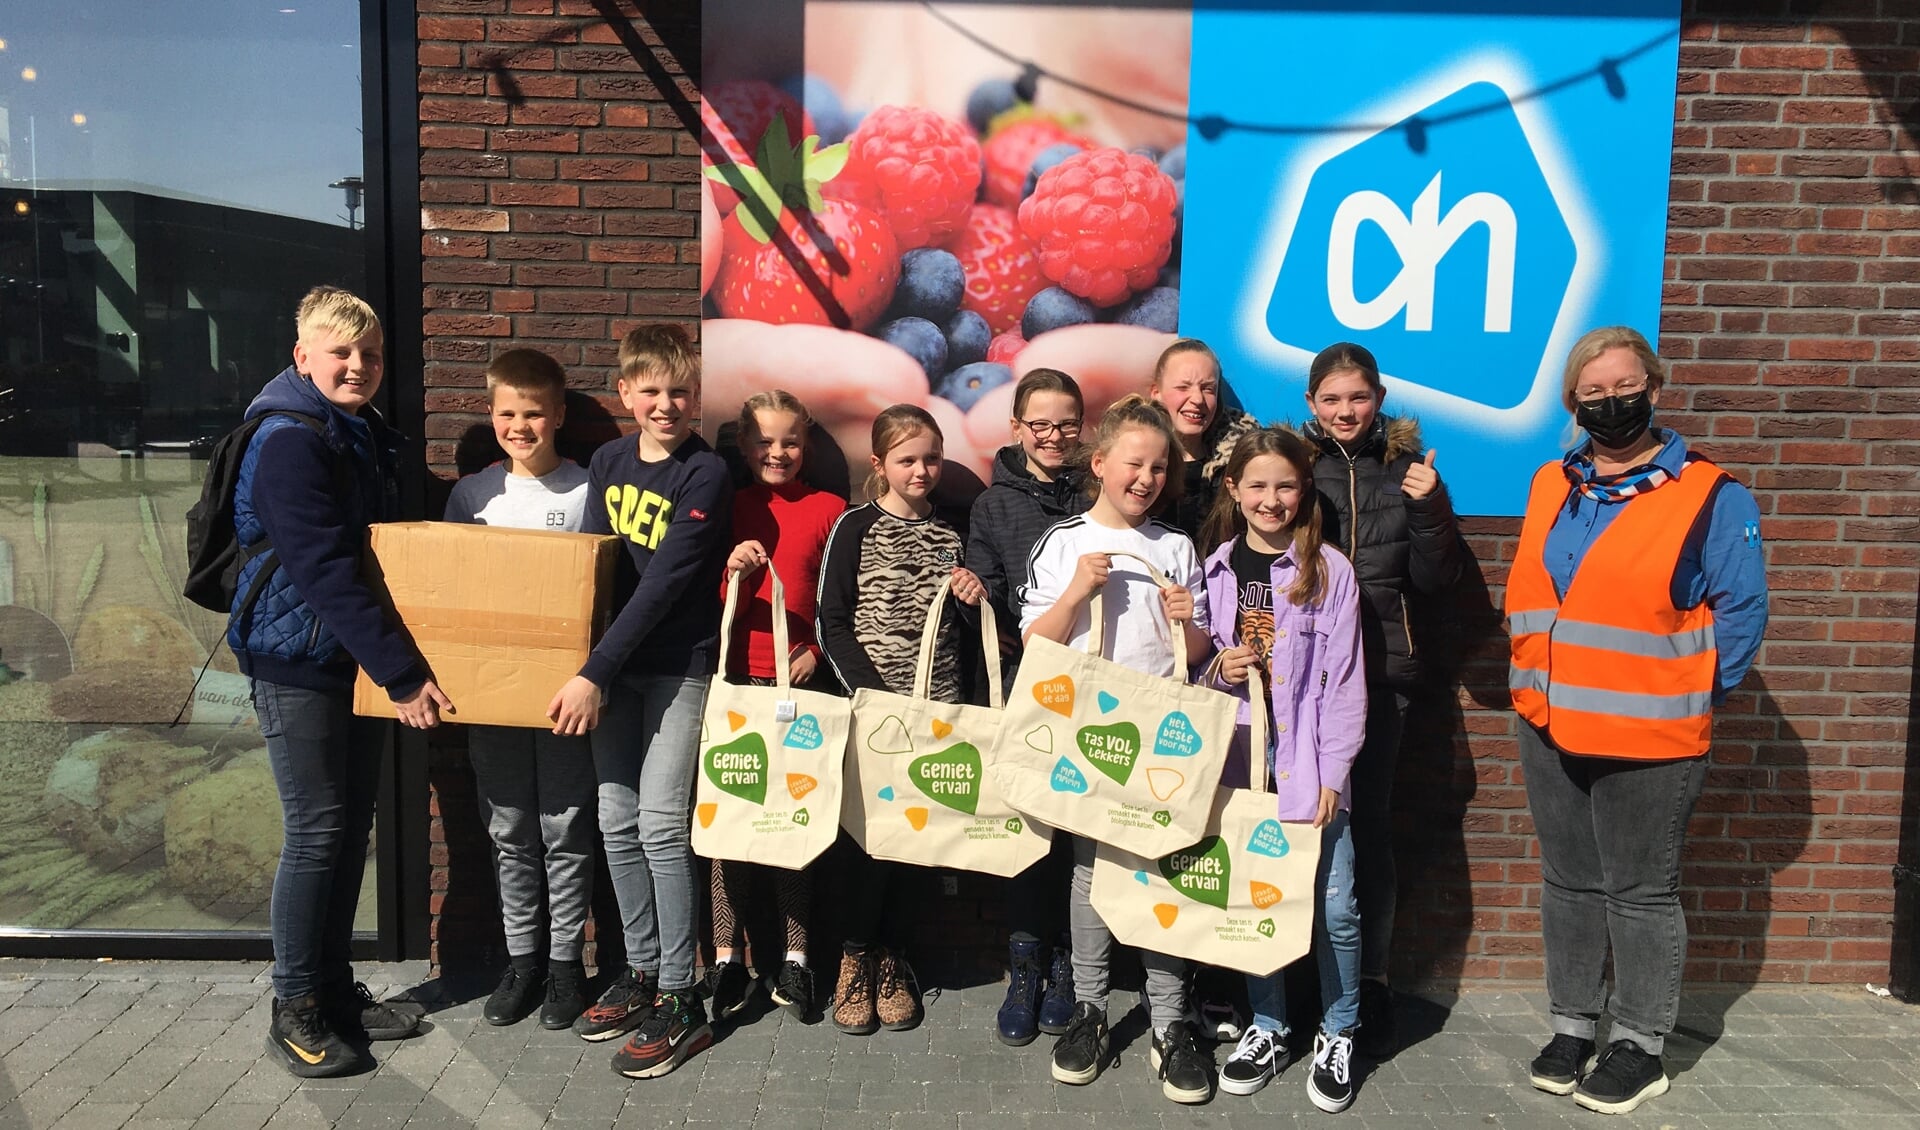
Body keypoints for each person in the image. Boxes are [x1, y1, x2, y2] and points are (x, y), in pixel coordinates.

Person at [1509, 326, 1767, 1116]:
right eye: (1593, 394)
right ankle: (1572, 1026)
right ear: (1574, 405)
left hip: (1649, 733)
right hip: (1548, 720)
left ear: (1653, 388)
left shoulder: (1711, 494)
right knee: (1569, 884)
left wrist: (1680, 693)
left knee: (1641, 893)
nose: (1611, 402)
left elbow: (1742, 614)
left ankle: (1640, 1045)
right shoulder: (1554, 481)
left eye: (1625, 387)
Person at [229, 286, 441, 1077]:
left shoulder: (356, 431)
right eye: (341, 352)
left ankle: (333, 989)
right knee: (317, 830)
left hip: (341, 657)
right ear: (303, 357)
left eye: (370, 354)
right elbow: (322, 569)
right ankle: (294, 1006)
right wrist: (403, 673)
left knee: (348, 829)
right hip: (298, 660)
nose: (358, 365)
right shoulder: (290, 438)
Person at [547, 325, 733, 1080]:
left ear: (696, 397)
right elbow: (591, 569)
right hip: (610, 672)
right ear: (625, 393)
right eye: (650, 390)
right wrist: (587, 666)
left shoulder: (707, 473)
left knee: (660, 824)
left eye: (680, 391)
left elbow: (664, 585)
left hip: (674, 668)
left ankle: (686, 1000)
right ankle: (646, 970)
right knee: (615, 820)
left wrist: (594, 670)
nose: (666, 404)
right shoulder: (607, 461)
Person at [1019, 395, 1216, 1105]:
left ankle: (1171, 1020)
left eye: (1159, 467)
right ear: (1099, 463)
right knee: (1092, 871)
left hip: (1161, 734)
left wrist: (1190, 624)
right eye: (1134, 463)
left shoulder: (1176, 547)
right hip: (1087, 736)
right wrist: (1076, 592)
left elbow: (1196, 657)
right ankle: (1092, 1010)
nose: (1147, 478)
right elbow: (1035, 644)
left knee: (1162, 867)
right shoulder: (1064, 541)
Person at [1198, 427, 1367, 1113]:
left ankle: (1341, 1029)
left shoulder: (1329, 571)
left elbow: (1345, 680)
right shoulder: (1214, 568)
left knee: (1334, 906)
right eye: (1257, 486)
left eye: (1285, 485)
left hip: (1311, 761)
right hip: (1240, 759)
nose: (1271, 499)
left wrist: (1333, 775)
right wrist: (1217, 666)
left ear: (1305, 490)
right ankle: (1268, 1025)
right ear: (1234, 490)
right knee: (1254, 894)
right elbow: (1194, 669)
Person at [1300, 341, 1461, 1056]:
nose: (1344, 410)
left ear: (1379, 399)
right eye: (1331, 399)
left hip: (1382, 680)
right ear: (1312, 405)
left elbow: (1435, 580)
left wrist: (1430, 512)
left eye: (1356, 398)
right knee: (1299, 833)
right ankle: (1298, 979)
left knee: (1370, 840)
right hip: (1301, 684)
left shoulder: (1411, 473)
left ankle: (1369, 983)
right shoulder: (1296, 470)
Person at [817, 404, 987, 1036]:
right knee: (863, 843)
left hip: (936, 715)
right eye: (908, 460)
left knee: (914, 840)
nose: (922, 470)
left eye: (931, 459)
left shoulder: (952, 534)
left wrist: (972, 601)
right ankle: (853, 959)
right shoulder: (854, 526)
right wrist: (870, 693)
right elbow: (830, 620)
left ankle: (894, 959)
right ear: (879, 464)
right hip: (872, 715)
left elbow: (962, 635)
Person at [442, 348, 595, 1031]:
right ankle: (523, 959)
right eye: (508, 413)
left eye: (534, 412)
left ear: (558, 414)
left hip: (565, 695)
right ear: (491, 414)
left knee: (564, 829)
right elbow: (448, 597)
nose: (521, 425)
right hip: (494, 696)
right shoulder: (472, 496)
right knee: (509, 830)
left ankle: (567, 965)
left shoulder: (589, 490)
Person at [707, 390, 846, 1024]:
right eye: (763, 441)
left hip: (797, 689)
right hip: (734, 682)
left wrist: (816, 649)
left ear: (806, 444)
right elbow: (695, 588)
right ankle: (727, 956)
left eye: (789, 440)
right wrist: (730, 570)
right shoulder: (727, 505)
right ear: (743, 445)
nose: (777, 452)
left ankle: (795, 958)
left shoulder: (829, 509)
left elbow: (836, 598)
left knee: (796, 824)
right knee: (725, 829)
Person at [965, 367, 1088, 1047]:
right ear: (1016, 429)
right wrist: (971, 584)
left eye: (1066, 423)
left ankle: (1069, 964)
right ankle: (1025, 966)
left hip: (1097, 687)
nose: (1052, 436)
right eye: (1039, 424)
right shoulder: (994, 505)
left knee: (1079, 834)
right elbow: (988, 578)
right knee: (1029, 835)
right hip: (1026, 685)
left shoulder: (1099, 492)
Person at [1150, 338, 1254, 546]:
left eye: (1208, 388)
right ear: (1156, 393)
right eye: (1183, 387)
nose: (1197, 399)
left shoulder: (1243, 464)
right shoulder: (1135, 462)